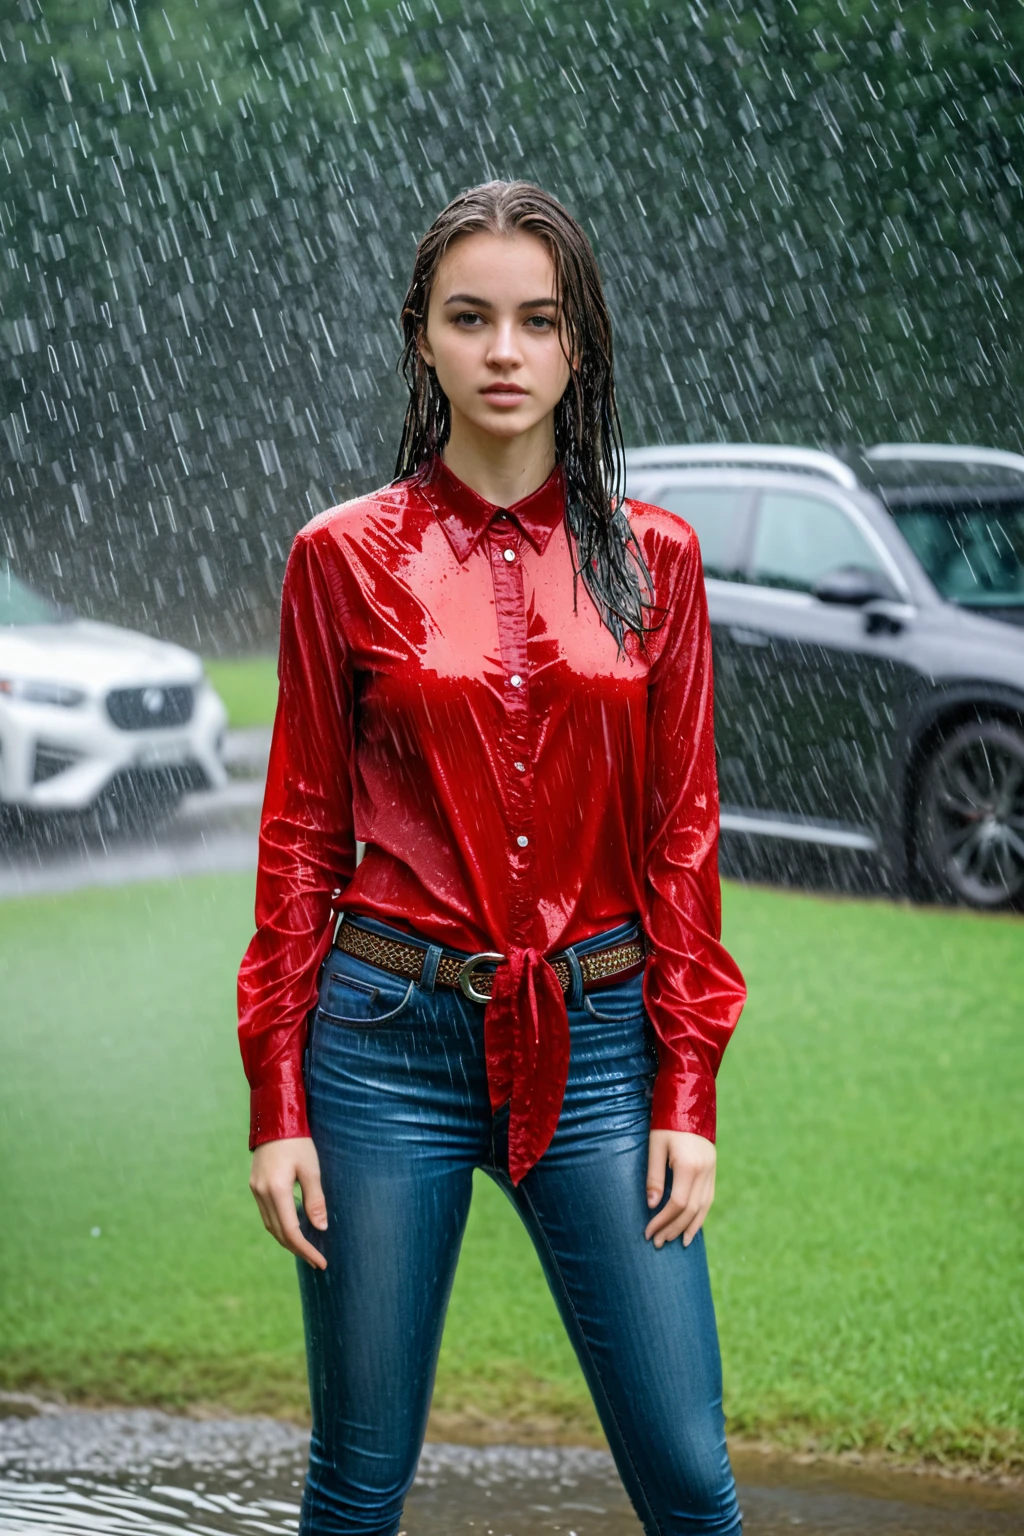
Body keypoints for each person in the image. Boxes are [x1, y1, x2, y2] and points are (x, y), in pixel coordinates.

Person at [237, 180, 747, 1536]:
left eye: (539, 320)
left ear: (581, 345)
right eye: (472, 319)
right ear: (424, 339)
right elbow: (299, 839)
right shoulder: (340, 559)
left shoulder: (660, 563)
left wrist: (686, 1085)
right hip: (381, 1045)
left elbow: (682, 839)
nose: (505, 352)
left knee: (692, 1481)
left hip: (596, 1046)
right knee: (358, 1473)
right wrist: (276, 1097)